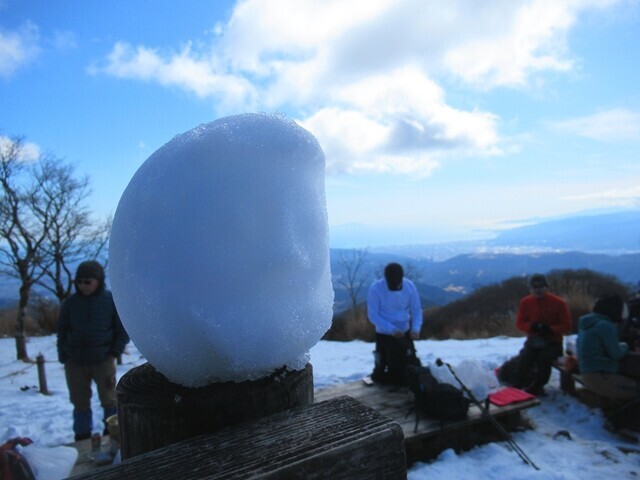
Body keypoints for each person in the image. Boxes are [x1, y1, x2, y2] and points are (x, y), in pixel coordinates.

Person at [57, 261, 129, 441]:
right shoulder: (70, 303)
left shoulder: (110, 301)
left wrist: (114, 352)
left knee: (109, 400)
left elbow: (122, 330)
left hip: (103, 360)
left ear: (98, 281)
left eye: (87, 281)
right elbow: (62, 331)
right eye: (79, 282)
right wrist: (63, 355)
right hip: (74, 362)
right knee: (79, 403)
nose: (83, 285)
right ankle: (82, 438)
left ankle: (112, 435)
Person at [514, 273, 572, 395]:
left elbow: (567, 325)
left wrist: (550, 329)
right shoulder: (526, 302)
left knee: (544, 359)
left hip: (553, 341)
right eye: (534, 287)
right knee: (525, 357)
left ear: (546, 287)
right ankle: (518, 385)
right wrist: (531, 326)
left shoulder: (558, 303)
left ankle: (538, 386)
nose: (538, 290)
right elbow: (519, 323)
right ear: (530, 289)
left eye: (541, 286)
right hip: (534, 340)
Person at [367, 263, 423, 386]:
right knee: (388, 366)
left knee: (410, 363)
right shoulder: (376, 289)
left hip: (405, 331)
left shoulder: (409, 287)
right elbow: (373, 315)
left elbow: (416, 310)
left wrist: (415, 329)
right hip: (384, 333)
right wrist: (392, 330)